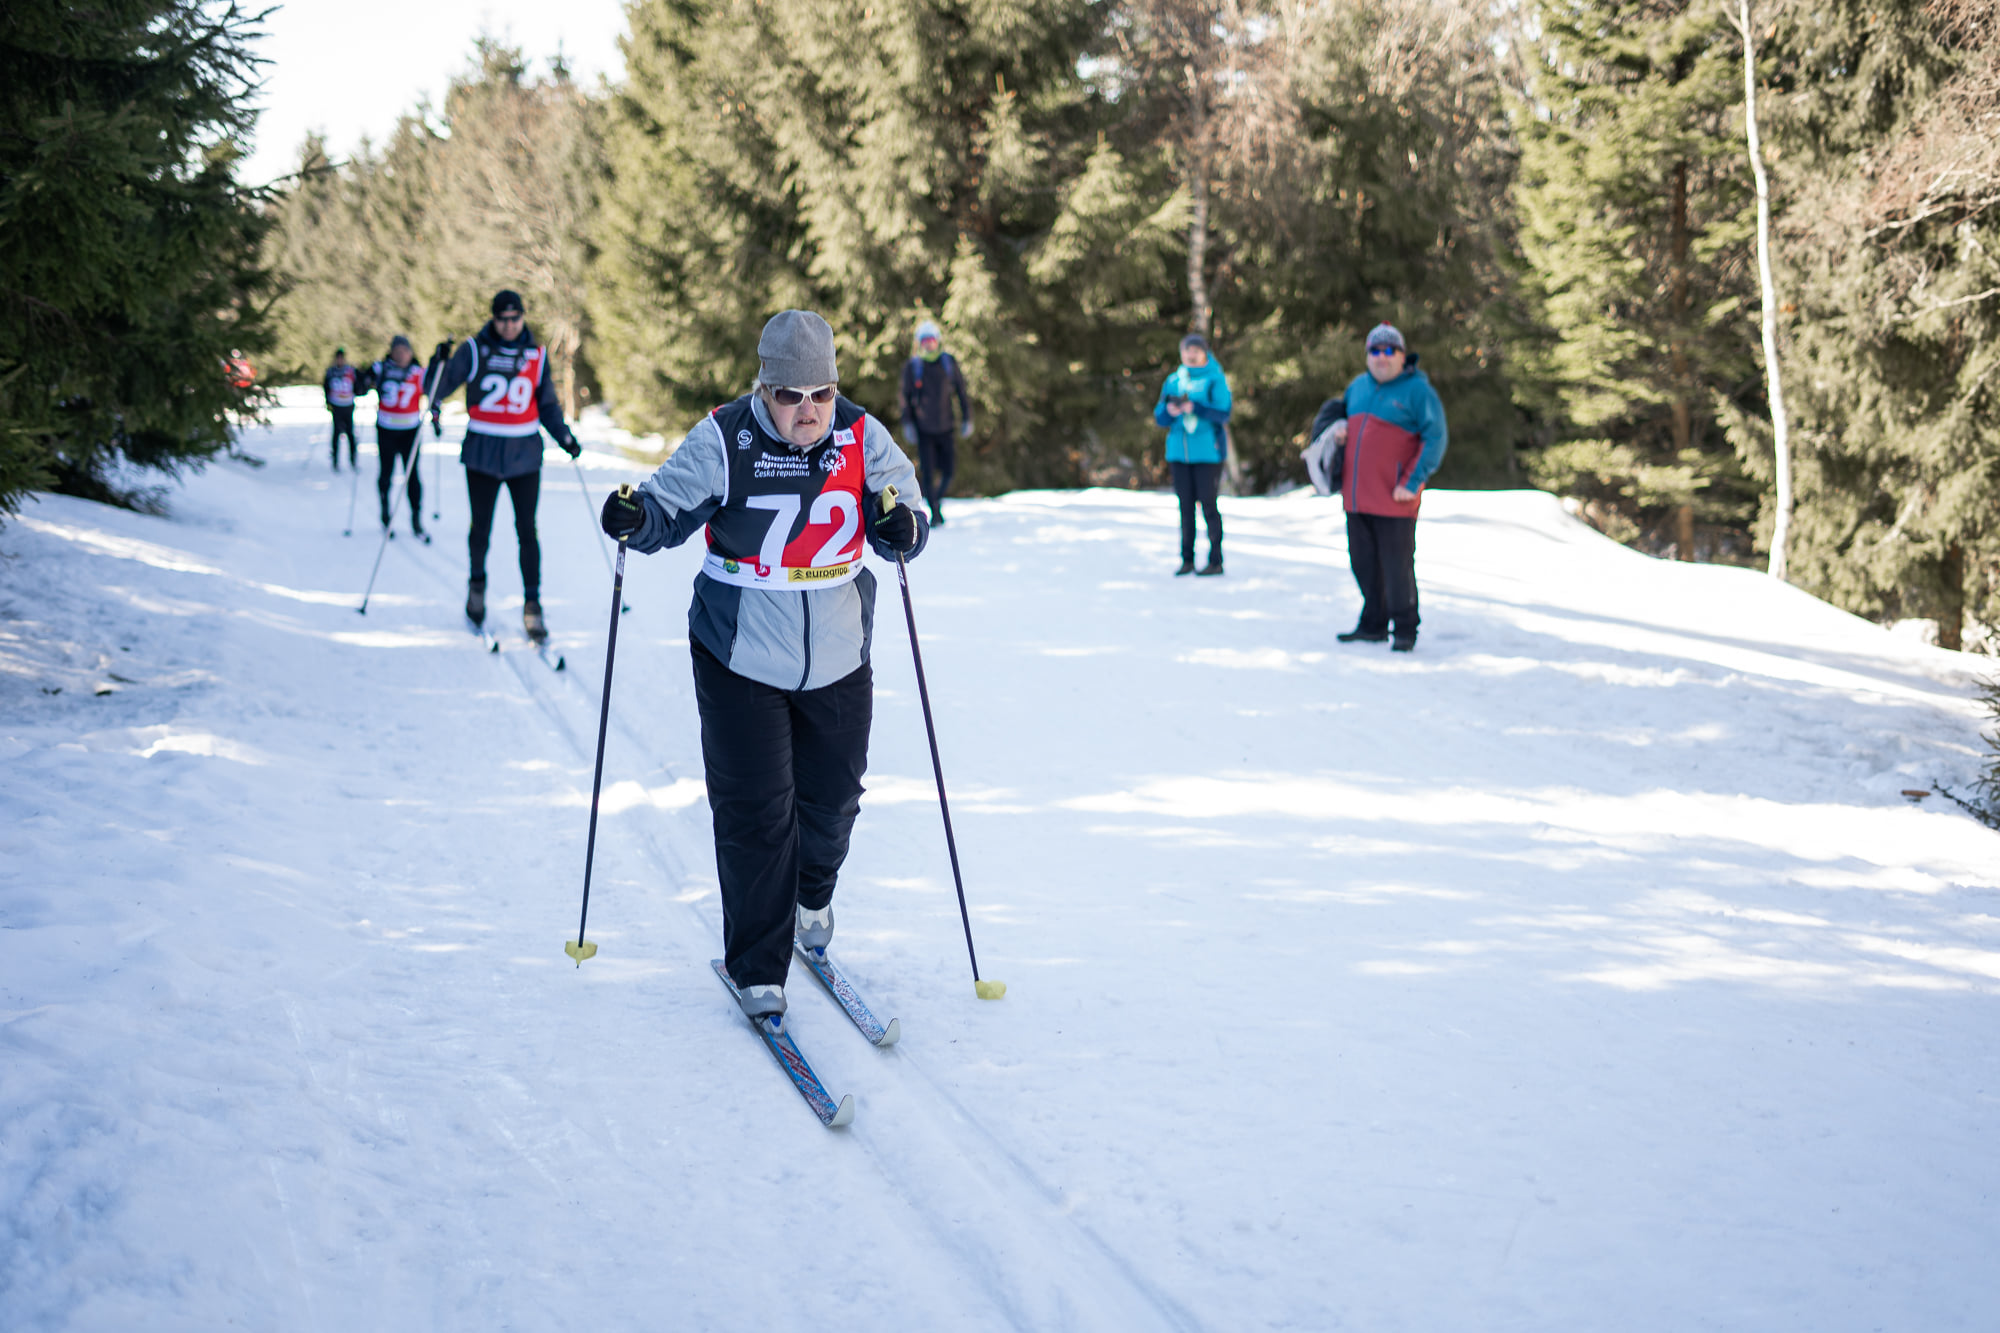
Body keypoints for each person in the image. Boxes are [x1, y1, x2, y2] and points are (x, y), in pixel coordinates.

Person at [598, 310, 928, 1027]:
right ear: (764, 387)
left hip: (839, 649)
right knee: (756, 813)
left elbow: (905, 503)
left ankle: (813, 896)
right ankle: (757, 965)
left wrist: (904, 528)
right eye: (789, 395)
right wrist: (635, 517)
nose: (807, 410)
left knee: (833, 802)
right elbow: (666, 504)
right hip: (739, 651)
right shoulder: (725, 436)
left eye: (821, 393)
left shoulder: (861, 436)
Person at [427, 290, 582, 642]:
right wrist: (437, 363)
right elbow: (436, 388)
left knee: (527, 530)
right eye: (502, 319)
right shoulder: (473, 349)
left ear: (522, 318)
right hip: (482, 453)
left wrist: (565, 437)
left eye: (515, 318)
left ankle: (533, 605)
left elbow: (547, 406)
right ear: (493, 319)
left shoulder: (536, 355)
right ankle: (477, 586)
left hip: (524, 456)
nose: (509, 326)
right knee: (480, 528)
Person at [1308, 322, 1448, 652]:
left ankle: (1404, 628)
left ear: (1402, 356)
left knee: (1397, 567)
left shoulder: (1418, 391)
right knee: (1363, 564)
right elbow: (1336, 420)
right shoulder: (1358, 387)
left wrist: (1412, 482)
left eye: (1389, 350)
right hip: (1356, 497)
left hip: (1395, 497)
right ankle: (1372, 624)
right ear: (1367, 355)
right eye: (1375, 350)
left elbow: (1435, 439)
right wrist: (1337, 428)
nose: (1382, 357)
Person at [1153, 332, 1233, 576]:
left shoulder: (1214, 379)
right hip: (1179, 453)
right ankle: (1186, 559)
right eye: (1186, 351)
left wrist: (1195, 408)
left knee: (1208, 505)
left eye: (1195, 351)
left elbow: (1224, 413)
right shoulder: (1174, 380)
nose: (1190, 355)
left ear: (1204, 352)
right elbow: (1159, 416)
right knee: (1185, 507)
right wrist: (1170, 411)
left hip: (1208, 453)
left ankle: (1215, 560)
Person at [897, 319, 971, 527]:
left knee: (949, 471)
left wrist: (967, 417)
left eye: (932, 340)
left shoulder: (948, 363)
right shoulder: (913, 367)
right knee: (928, 473)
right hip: (924, 429)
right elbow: (905, 397)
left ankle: (935, 498)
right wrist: (908, 423)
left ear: (938, 341)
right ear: (919, 343)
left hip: (946, 427)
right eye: (925, 340)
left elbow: (961, 392)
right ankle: (935, 512)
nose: (929, 344)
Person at [368, 335, 426, 540]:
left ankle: (416, 518)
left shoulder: (418, 372)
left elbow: (436, 389)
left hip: (410, 430)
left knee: (412, 475)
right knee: (387, 473)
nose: (402, 355)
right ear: (391, 352)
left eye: (405, 351)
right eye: (397, 351)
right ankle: (385, 513)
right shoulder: (382, 369)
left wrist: (436, 416)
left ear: (411, 352)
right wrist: (365, 379)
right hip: (386, 429)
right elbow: (362, 384)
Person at [322, 348, 360, 471]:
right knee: (336, 433)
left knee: (350, 433)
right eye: (338, 358)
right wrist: (327, 402)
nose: (340, 360)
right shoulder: (331, 371)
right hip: (336, 405)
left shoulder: (350, 370)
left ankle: (353, 460)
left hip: (348, 405)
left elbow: (358, 385)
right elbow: (326, 387)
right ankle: (335, 461)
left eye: (341, 358)